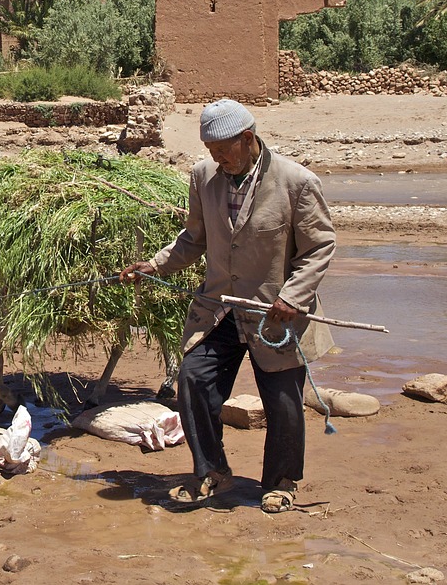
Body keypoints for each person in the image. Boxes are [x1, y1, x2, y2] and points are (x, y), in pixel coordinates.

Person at [120, 98, 335, 513]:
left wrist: (293, 297)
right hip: (219, 308)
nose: (217, 160)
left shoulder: (296, 182)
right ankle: (213, 471)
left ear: (248, 138)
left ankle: (281, 481)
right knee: (194, 378)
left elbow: (320, 247)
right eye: (211, 152)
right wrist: (157, 264)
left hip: (275, 314)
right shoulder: (204, 177)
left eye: (223, 151)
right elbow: (194, 238)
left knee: (283, 401)